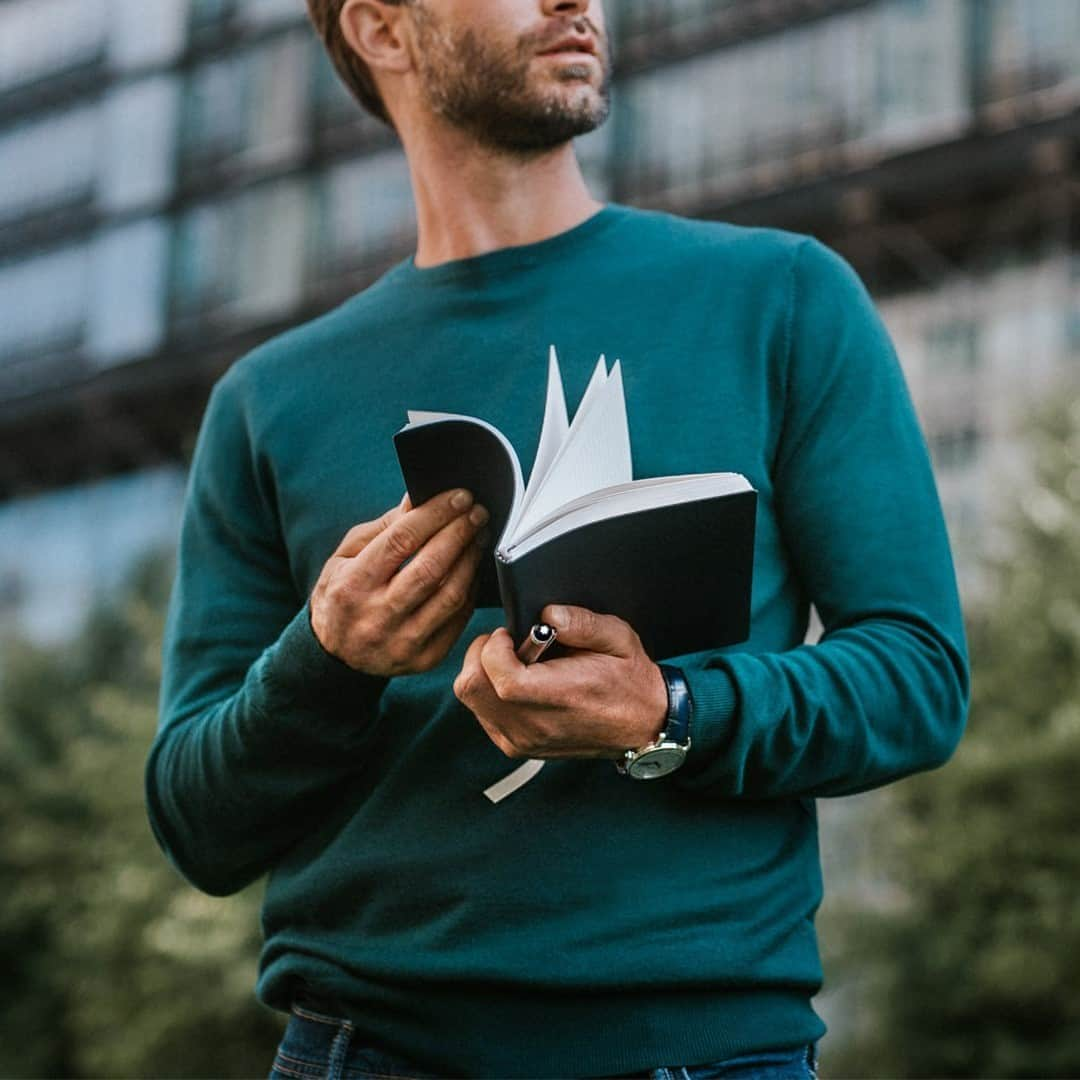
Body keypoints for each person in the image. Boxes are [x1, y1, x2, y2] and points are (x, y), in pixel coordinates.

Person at [145, 1, 970, 1077]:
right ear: (383, 29)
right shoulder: (266, 401)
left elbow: (917, 678)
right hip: (365, 1051)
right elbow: (196, 827)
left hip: (708, 1051)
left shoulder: (783, 298)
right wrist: (326, 661)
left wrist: (670, 712)